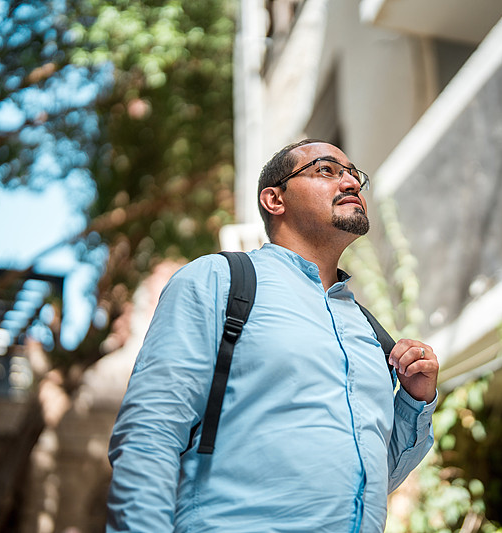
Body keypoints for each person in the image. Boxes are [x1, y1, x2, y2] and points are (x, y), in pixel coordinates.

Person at [106, 139, 439, 532]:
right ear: (274, 200)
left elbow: (372, 480)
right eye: (326, 170)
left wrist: (415, 402)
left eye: (354, 175)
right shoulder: (219, 280)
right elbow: (150, 434)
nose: (350, 182)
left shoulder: (367, 330)